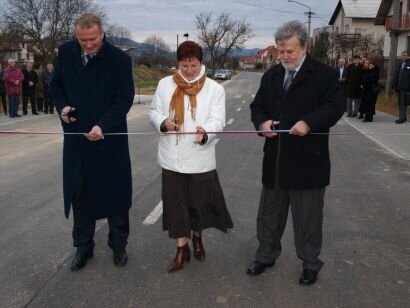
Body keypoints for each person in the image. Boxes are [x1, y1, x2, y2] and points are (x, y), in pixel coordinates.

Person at [247, 20, 344, 286]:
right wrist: (262, 123)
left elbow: (336, 106)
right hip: (276, 159)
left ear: (305, 47)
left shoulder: (323, 75)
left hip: (308, 161)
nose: (284, 56)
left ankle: (311, 264)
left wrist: (309, 122)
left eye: (289, 51)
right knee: (269, 214)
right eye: (280, 51)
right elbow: (258, 107)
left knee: (308, 219)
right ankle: (266, 255)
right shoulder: (272, 75)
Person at [51, 13, 135, 272]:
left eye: (92, 39)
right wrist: (63, 108)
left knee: (116, 196)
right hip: (77, 140)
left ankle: (118, 245)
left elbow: (124, 99)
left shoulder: (120, 60)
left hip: (109, 140)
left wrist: (103, 126)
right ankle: (83, 247)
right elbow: (56, 87)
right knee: (80, 195)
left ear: (102, 34)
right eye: (82, 39)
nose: (87, 44)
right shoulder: (66, 53)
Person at [149, 40, 233, 273]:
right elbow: (154, 111)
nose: (188, 71)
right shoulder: (165, 84)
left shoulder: (215, 89)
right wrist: (162, 122)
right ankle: (181, 249)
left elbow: (219, 120)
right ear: (178, 63)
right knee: (176, 206)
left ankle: (197, 238)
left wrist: (206, 132)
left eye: (193, 65)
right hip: (172, 158)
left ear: (201, 63)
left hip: (199, 157)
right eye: (184, 66)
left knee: (199, 206)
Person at [393, 51, 410, 124]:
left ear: (408, 56)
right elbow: (396, 75)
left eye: (405, 55)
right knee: (401, 103)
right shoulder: (399, 64)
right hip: (399, 87)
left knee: (404, 103)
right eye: (402, 55)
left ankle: (401, 118)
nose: (403, 57)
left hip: (407, 87)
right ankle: (403, 117)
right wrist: (394, 86)